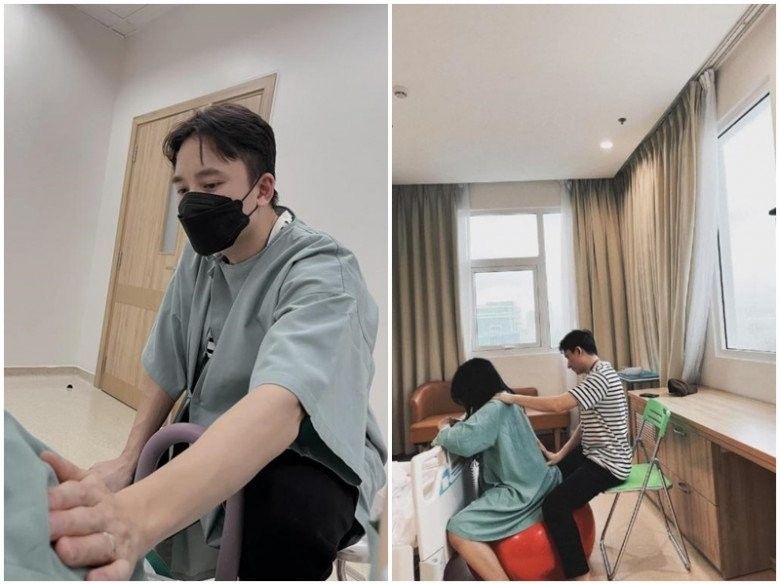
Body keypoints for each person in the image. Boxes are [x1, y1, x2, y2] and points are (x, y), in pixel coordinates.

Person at [43, 103, 386, 580]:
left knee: (290, 515)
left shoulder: (323, 271)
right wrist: (128, 460)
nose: (192, 203)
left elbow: (282, 406)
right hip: (212, 428)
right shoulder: (202, 256)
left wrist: (136, 516)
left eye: (210, 184)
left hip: (307, 450)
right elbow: (168, 361)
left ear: (262, 189)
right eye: (183, 189)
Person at [495, 329, 631, 580]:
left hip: (609, 464)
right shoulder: (598, 373)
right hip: (594, 453)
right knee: (550, 475)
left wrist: (512, 398)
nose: (568, 365)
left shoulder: (600, 378)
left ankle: (580, 574)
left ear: (578, 351)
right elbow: (585, 424)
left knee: (555, 505)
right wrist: (560, 454)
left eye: (568, 357)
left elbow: (558, 405)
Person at [433, 358, 561, 580]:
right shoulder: (507, 400)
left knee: (458, 530)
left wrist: (443, 428)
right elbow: (479, 431)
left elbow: (462, 442)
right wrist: (462, 424)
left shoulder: (494, 409)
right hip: (540, 480)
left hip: (521, 492)